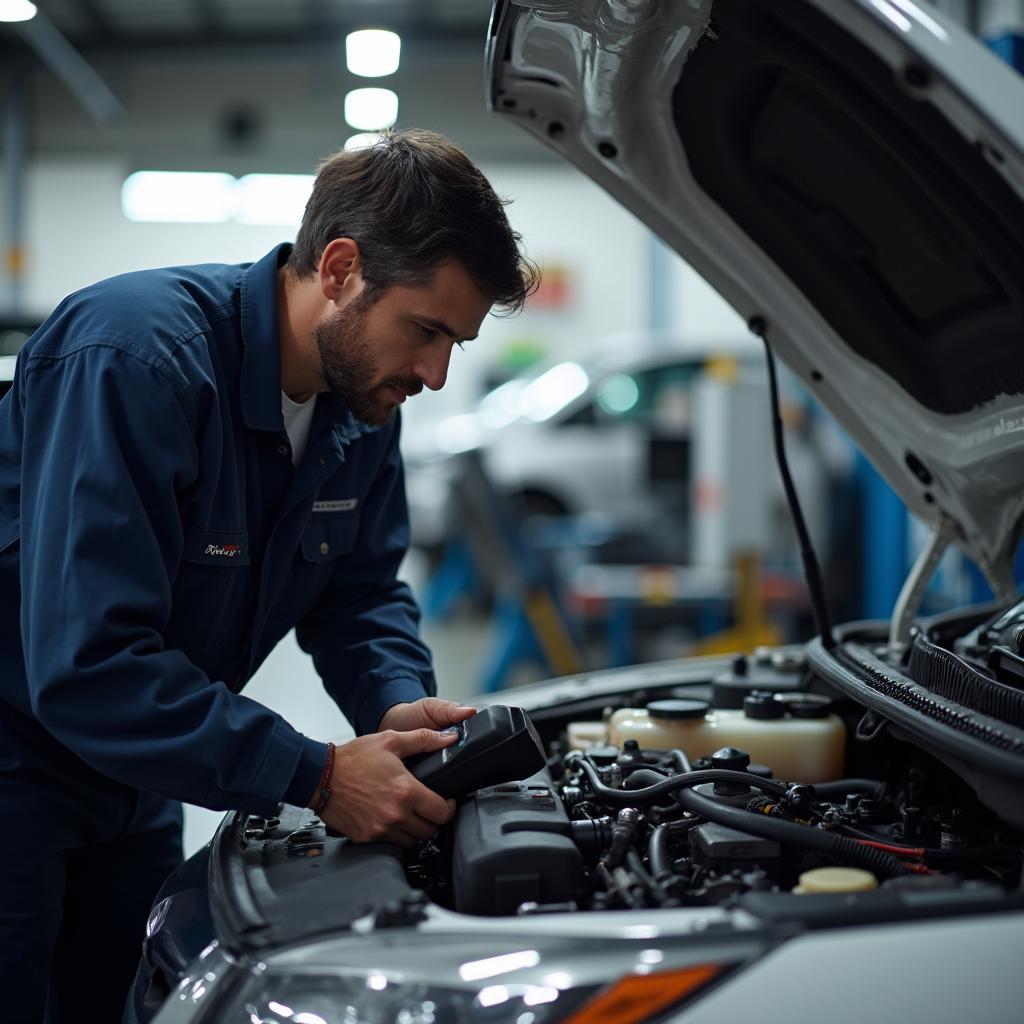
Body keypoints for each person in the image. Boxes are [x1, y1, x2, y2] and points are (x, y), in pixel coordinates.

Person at [0, 128, 538, 1022]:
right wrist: (318, 774)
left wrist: (393, 700)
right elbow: (89, 663)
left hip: (141, 775)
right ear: (338, 270)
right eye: (428, 331)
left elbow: (358, 593)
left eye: (458, 344)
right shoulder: (136, 361)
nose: (436, 376)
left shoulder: (364, 405)